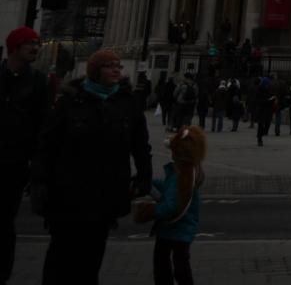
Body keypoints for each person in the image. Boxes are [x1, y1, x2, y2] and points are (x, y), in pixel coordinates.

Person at [31, 48, 152, 284]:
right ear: (95, 71)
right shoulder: (70, 101)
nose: (116, 70)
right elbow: (46, 145)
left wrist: (144, 178)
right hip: (68, 191)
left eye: (118, 66)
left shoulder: (127, 103)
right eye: (109, 66)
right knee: (60, 255)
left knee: (92, 256)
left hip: (105, 192)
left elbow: (141, 146)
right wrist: (39, 181)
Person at [1, 26, 48, 285]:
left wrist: (36, 164)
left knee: (6, 219)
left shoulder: (39, 81)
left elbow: (43, 125)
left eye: (37, 44)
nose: (35, 48)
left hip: (15, 162)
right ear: (14, 47)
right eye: (30, 43)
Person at [135, 124, 206, 285]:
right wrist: (152, 183)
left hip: (172, 230)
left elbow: (170, 207)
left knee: (163, 265)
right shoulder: (189, 171)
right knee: (181, 265)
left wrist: (150, 210)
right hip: (184, 229)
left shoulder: (179, 175)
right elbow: (170, 190)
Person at [254, 77, 274, 147]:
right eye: (267, 85)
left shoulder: (269, 91)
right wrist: (267, 101)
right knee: (261, 124)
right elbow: (257, 101)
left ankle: (261, 134)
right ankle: (259, 139)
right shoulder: (259, 91)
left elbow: (270, 98)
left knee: (267, 124)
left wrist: (272, 100)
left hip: (268, 110)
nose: (268, 86)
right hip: (261, 110)